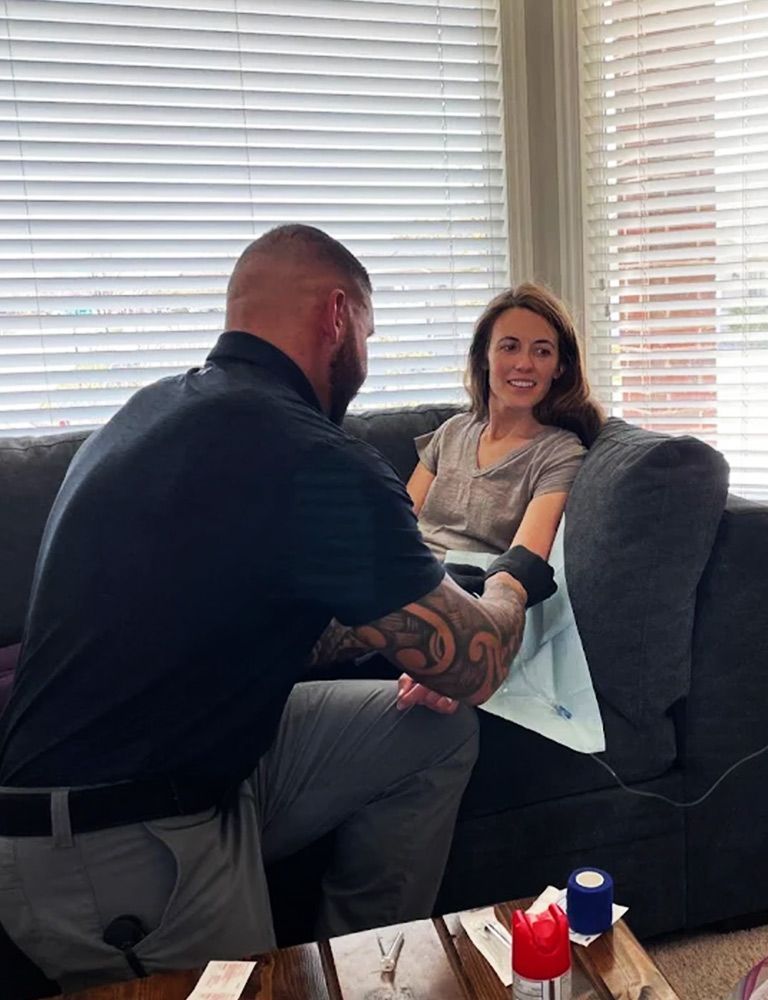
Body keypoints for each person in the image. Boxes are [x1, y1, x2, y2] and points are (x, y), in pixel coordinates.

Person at [0, 224, 557, 992]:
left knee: (431, 734)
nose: (365, 352)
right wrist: (515, 576)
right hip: (108, 832)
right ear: (336, 316)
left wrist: (401, 642)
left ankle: (363, 974)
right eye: (367, 330)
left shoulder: (154, 408)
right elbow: (477, 664)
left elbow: (253, 621)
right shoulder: (308, 453)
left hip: (209, 758)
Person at [397, 284, 604, 712]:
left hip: (468, 596)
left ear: (560, 367)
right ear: (484, 357)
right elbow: (396, 526)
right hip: (404, 582)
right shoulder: (452, 432)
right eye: (509, 346)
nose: (525, 363)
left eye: (542, 351)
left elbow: (522, 561)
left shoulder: (561, 451)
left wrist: (453, 650)